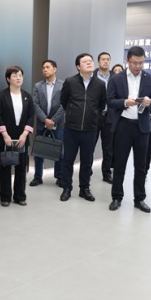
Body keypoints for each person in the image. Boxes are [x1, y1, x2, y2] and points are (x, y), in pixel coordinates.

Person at [107, 46, 151, 212]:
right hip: (123, 126)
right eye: (135, 63)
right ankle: (116, 197)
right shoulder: (116, 79)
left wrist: (150, 102)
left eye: (141, 63)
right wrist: (125, 103)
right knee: (120, 164)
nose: (138, 66)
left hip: (142, 128)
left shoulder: (150, 79)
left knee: (141, 166)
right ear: (128, 61)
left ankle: (139, 199)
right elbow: (110, 101)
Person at [59, 53, 107, 202]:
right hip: (71, 129)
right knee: (68, 159)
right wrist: (72, 114)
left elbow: (101, 104)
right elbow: (64, 101)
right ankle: (67, 188)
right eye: (85, 61)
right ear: (78, 66)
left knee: (87, 161)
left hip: (90, 129)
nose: (89, 63)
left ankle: (84, 188)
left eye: (90, 61)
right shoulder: (70, 82)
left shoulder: (100, 84)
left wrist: (93, 116)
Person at [0, 66, 35, 206]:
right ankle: (5, 197)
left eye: (20, 75)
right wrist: (5, 135)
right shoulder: (1, 96)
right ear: (8, 79)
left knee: (21, 167)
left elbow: (31, 116)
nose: (18, 78)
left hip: (22, 136)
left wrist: (25, 134)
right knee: (5, 166)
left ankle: (20, 196)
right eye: (15, 75)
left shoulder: (27, 96)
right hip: (5, 136)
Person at [30, 59, 64, 187]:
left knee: (59, 151)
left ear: (55, 69)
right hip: (42, 123)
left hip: (58, 123)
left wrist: (53, 120)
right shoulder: (38, 86)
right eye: (43, 67)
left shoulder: (63, 85)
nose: (45, 69)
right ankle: (37, 176)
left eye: (48, 67)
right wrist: (45, 120)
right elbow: (35, 104)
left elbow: (64, 105)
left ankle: (59, 177)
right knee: (39, 151)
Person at [94, 52, 114, 184]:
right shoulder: (92, 76)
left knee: (108, 148)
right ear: (98, 62)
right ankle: (87, 171)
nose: (106, 61)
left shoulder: (116, 77)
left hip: (110, 116)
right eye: (103, 59)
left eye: (108, 59)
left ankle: (107, 173)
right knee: (90, 146)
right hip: (95, 116)